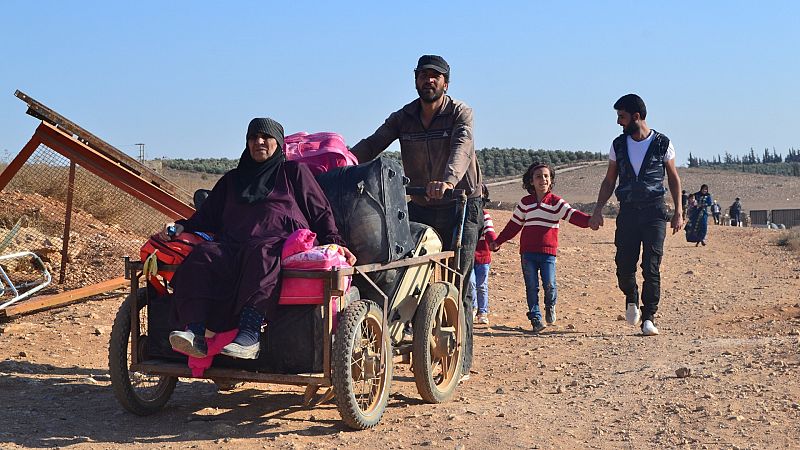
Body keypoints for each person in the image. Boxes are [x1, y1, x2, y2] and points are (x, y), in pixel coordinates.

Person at [163, 118, 355, 360]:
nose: (259, 141)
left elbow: (320, 210)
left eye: (266, 137)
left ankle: (249, 333)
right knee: (204, 255)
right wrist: (180, 227)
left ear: (279, 143)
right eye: (253, 137)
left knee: (262, 253)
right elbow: (205, 218)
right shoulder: (232, 180)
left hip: (277, 242)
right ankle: (196, 332)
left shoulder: (293, 172)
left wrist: (335, 241)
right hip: (233, 245)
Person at [350, 54, 481, 379]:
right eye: (424, 76)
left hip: (459, 201)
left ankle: (460, 360)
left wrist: (449, 180)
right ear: (416, 80)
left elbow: (462, 148)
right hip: (420, 202)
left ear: (445, 83)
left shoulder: (459, 113)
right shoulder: (404, 117)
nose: (429, 81)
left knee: (455, 277)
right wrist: (342, 161)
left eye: (435, 76)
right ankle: (410, 332)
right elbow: (373, 143)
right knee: (405, 268)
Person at [588, 94, 683, 337]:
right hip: (628, 213)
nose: (619, 122)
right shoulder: (618, 145)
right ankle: (631, 297)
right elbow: (610, 180)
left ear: (636, 117)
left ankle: (649, 316)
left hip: (654, 212)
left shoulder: (663, 143)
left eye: (622, 116)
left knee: (651, 266)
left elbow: (673, 178)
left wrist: (679, 211)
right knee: (624, 266)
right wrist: (598, 208)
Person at [490, 162, 591, 333]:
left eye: (546, 176)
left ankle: (550, 305)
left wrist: (590, 221)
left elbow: (573, 215)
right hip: (527, 253)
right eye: (538, 176)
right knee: (531, 286)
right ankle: (536, 318)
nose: (542, 179)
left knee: (550, 284)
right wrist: (499, 240)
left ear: (551, 180)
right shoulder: (525, 203)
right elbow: (513, 226)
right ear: (531, 181)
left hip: (548, 253)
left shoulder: (556, 202)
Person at [470, 184, 496, 325]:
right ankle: (473, 308)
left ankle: (483, 311)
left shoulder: (485, 215)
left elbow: (490, 231)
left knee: (481, 285)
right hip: (468, 256)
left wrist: (494, 242)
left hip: (483, 256)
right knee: (471, 283)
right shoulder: (464, 214)